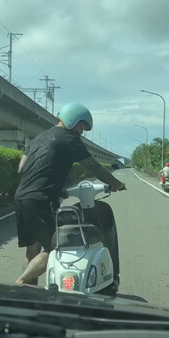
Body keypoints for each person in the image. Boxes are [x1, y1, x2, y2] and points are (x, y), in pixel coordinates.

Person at [14, 102, 126, 285]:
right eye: (82, 125)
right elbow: (93, 166)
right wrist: (115, 183)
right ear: (72, 119)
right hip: (41, 199)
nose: (82, 131)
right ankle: (20, 283)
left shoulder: (39, 138)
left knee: (32, 248)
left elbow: (21, 167)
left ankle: (28, 294)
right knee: (55, 249)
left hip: (21, 197)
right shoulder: (69, 139)